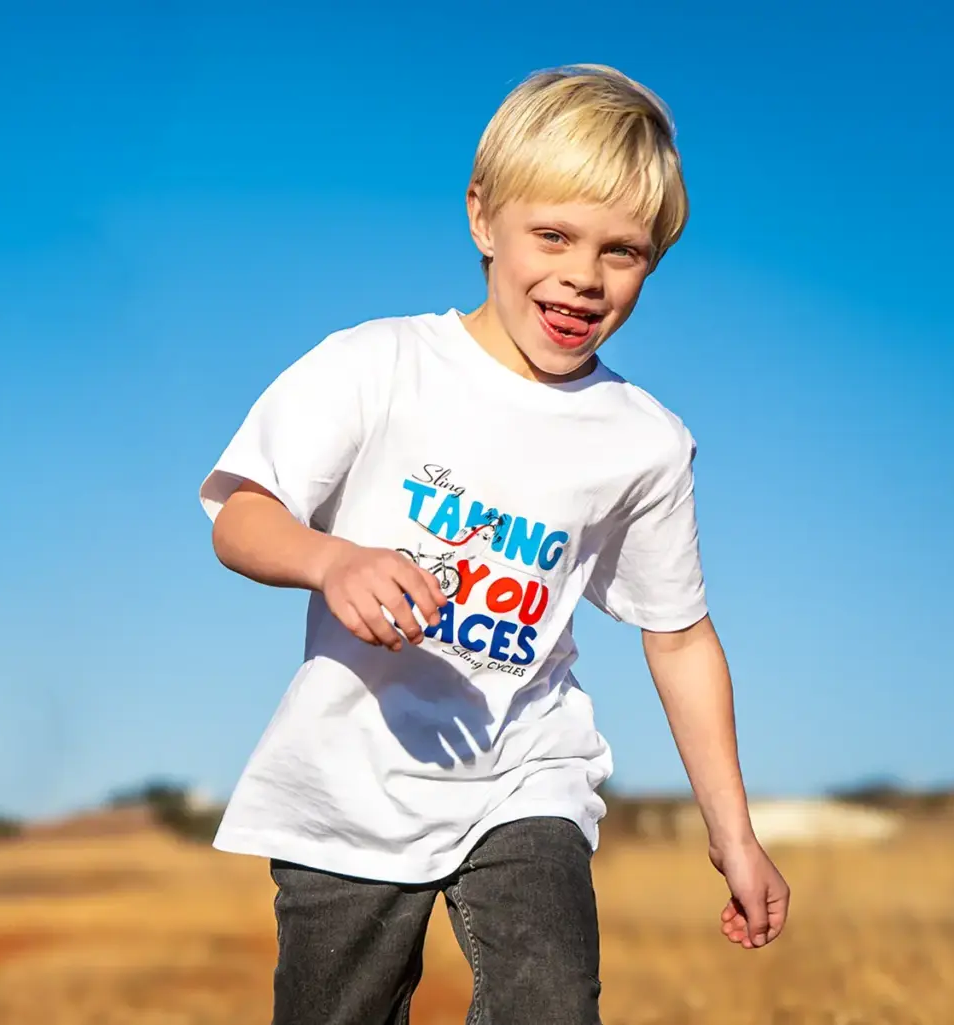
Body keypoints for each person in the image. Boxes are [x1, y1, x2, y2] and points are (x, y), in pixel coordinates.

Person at [199, 63, 790, 1025]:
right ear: (483, 217)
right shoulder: (378, 365)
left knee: (549, 1002)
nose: (584, 275)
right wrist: (330, 559)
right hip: (349, 779)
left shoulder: (644, 440)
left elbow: (679, 636)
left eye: (622, 251)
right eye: (553, 235)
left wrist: (734, 831)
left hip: (526, 771)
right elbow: (241, 516)